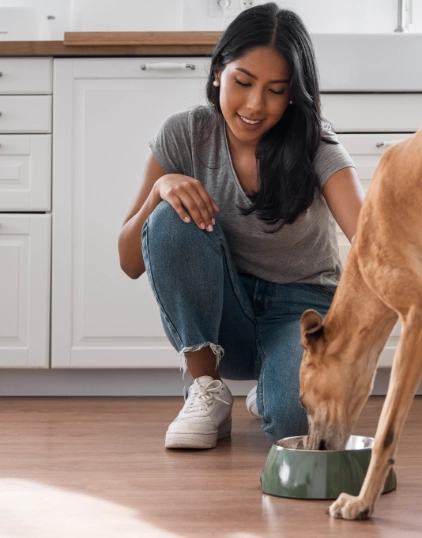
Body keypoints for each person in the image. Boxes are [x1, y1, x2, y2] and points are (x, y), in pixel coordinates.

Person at [117, 3, 363, 449]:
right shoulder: (184, 134)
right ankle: (206, 390)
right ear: (217, 73)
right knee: (170, 214)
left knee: (294, 421)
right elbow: (130, 262)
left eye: (275, 90)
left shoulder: (317, 145)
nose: (254, 105)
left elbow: (371, 243)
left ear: (294, 95)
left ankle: (273, 386)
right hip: (220, 314)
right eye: (243, 83)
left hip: (302, 309)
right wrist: (159, 191)